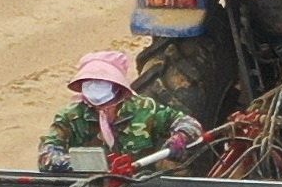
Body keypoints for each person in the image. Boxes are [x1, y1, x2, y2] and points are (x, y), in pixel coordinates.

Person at [40, 50, 185, 172]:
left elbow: (187, 123)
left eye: (102, 82)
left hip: (142, 184)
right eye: (90, 82)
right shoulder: (71, 116)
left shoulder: (146, 109)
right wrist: (80, 165)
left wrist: (180, 138)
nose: (95, 87)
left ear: (116, 86)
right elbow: (47, 155)